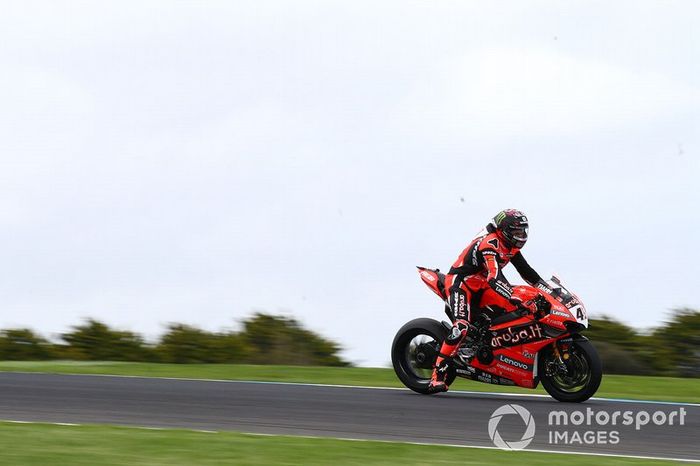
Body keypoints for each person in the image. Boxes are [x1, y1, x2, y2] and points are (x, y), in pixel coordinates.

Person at [428, 209, 552, 393]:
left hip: (481, 284)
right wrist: (513, 295)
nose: (521, 236)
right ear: (504, 230)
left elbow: (527, 272)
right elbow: (494, 277)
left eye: (523, 231)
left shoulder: (510, 246)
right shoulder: (490, 244)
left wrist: (549, 290)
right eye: (517, 232)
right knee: (461, 325)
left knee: (516, 308)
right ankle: (436, 375)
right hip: (461, 283)